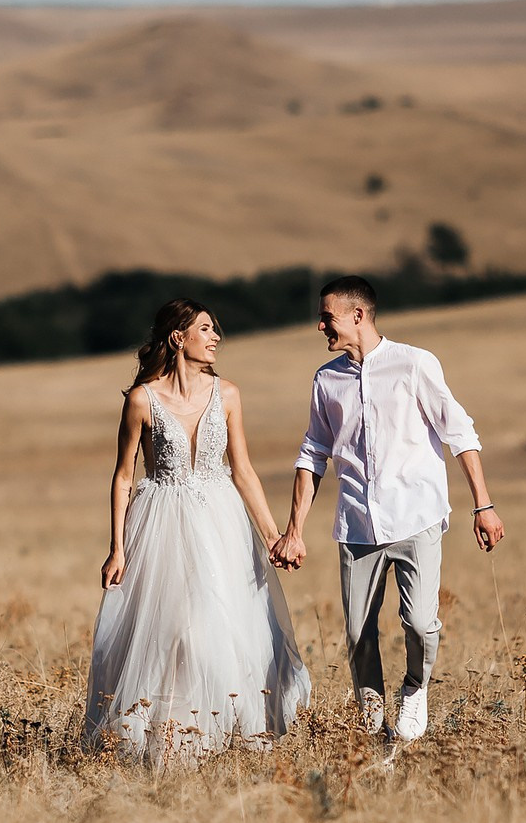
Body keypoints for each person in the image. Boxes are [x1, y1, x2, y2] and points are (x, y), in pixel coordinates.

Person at [269, 276, 504, 742]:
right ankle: (372, 719)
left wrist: (484, 505)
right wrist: (294, 530)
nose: (320, 326)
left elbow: (459, 432)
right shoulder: (326, 380)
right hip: (356, 523)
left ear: (358, 316)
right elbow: (314, 453)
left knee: (419, 621)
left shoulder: (414, 364)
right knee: (358, 633)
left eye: (327, 317)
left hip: (416, 515)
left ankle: (415, 689)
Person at [86, 298, 311, 762]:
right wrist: (117, 548)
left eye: (215, 331)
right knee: (174, 628)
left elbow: (243, 470)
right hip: (160, 523)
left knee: (222, 623)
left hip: (220, 520)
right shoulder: (141, 400)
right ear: (177, 338)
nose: (215, 338)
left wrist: (273, 535)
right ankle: (165, 741)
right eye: (205, 329)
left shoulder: (227, 394)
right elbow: (124, 476)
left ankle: (228, 736)